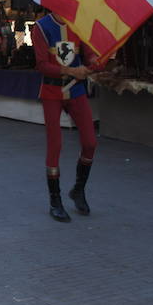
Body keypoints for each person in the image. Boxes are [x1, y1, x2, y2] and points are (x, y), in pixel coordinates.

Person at [31, 12, 101, 223]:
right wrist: (71, 71)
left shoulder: (79, 23)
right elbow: (41, 64)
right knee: (55, 146)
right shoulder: (41, 27)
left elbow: (89, 54)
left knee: (90, 142)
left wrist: (95, 61)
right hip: (52, 92)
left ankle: (78, 189)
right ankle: (55, 201)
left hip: (76, 91)